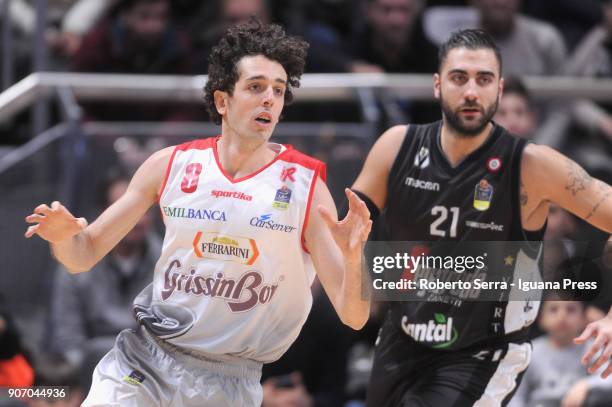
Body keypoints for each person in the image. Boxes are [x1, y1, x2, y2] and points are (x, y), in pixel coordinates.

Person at [24, 19, 372, 407]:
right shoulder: (170, 165)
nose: (270, 99)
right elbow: (82, 255)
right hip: (147, 360)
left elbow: (353, 314)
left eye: (278, 90)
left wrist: (355, 256)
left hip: (229, 380)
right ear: (222, 100)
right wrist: (63, 238)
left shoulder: (305, 185)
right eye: (256, 87)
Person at [348, 29, 612, 406]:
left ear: (499, 89)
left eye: (484, 79)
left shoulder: (532, 166)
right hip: (402, 337)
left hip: (483, 352)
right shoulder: (396, 147)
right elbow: (343, 233)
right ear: (438, 85)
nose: (471, 91)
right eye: (459, 78)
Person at [49, 170, 160, 391]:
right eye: (124, 211)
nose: (136, 221)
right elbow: (68, 338)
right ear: (105, 215)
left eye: (143, 211)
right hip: (88, 376)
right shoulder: (76, 263)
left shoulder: (169, 262)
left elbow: (169, 338)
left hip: (149, 377)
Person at [508, 294, 612, 407]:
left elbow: (608, 377)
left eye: (571, 309)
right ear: (540, 318)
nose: (562, 316)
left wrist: (587, 384)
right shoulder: (529, 351)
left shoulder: (592, 348)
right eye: (553, 309)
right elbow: (516, 394)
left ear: (584, 318)